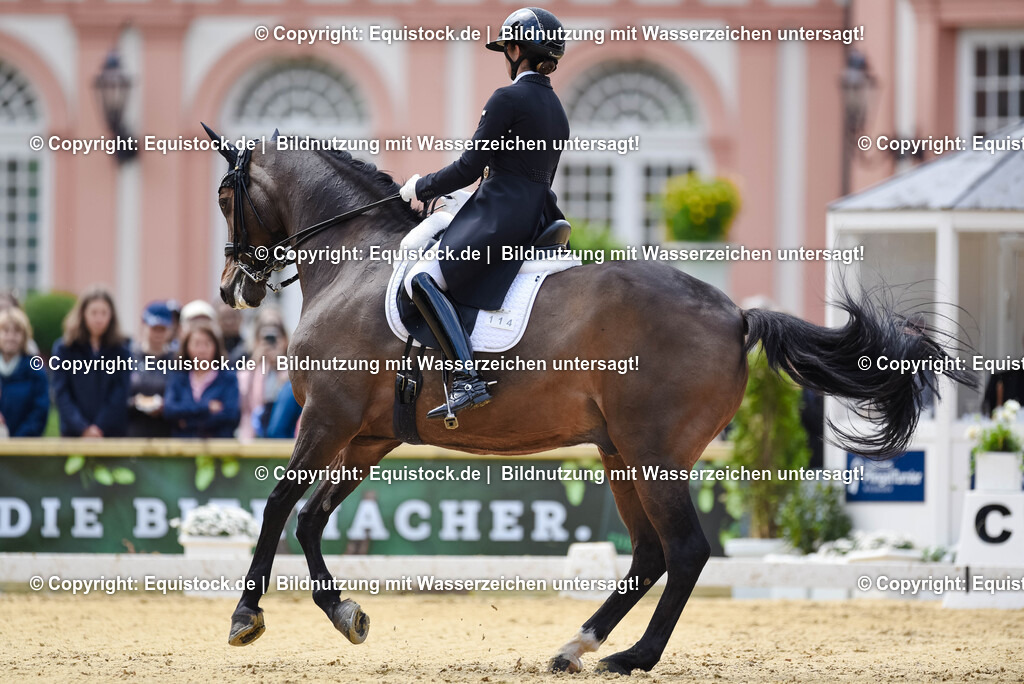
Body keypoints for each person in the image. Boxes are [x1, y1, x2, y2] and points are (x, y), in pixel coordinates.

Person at [398, 7, 569, 421]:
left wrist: (421, 187)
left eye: (507, 48)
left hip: (500, 215)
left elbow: (470, 167)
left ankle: (464, 379)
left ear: (516, 49)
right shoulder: (556, 107)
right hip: (539, 214)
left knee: (420, 277)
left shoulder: (507, 98)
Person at [51, 286, 131, 437]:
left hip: (111, 434)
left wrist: (99, 427)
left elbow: (120, 392)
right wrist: (82, 427)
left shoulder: (121, 350)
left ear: (111, 316)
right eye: (94, 313)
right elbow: (61, 392)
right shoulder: (65, 348)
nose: (99, 319)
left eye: (104, 313)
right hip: (73, 434)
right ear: (83, 314)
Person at [163, 321, 240, 438]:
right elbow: (169, 410)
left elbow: (230, 415)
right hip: (183, 448)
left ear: (216, 346)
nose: (202, 350)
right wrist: (206, 408)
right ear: (187, 347)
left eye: (207, 344)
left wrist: (187, 421)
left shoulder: (228, 378)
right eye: (197, 344)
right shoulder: (179, 377)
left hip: (217, 448)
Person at [127, 301, 176, 437]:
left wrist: (166, 405)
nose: (158, 333)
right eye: (154, 328)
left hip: (166, 433)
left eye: (163, 329)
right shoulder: (130, 357)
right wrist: (134, 402)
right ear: (145, 326)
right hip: (133, 432)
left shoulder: (177, 360)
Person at [238, 309, 289, 440]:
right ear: (256, 338)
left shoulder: (295, 369)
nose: (270, 337)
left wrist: (280, 365)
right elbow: (240, 402)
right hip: (252, 438)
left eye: (276, 329)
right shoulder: (247, 369)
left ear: (284, 339)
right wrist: (255, 362)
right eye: (264, 329)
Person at [0, 306, 49, 437]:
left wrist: (18, 439)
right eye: (6, 331)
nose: (11, 337)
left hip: (24, 445)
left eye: (16, 332)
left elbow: (40, 410)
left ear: (24, 336)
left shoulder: (35, 369)